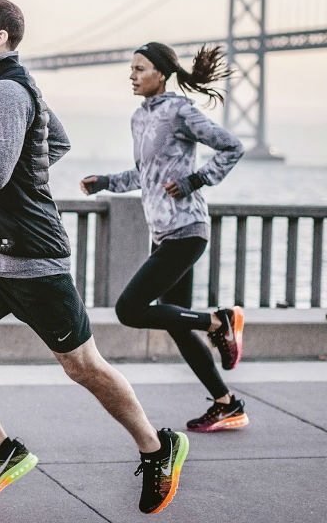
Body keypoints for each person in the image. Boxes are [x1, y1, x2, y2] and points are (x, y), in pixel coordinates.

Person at [0, 0, 188, 515]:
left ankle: (157, 447)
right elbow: (55, 142)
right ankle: (0, 450)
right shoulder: (0, 87)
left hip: (32, 258)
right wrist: (23, 170)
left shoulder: (6, 90)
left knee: (83, 366)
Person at [80, 41, 248, 434]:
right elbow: (146, 174)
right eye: (131, 69)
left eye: (140, 68)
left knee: (130, 309)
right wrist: (106, 182)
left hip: (187, 229)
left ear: (162, 73)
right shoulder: (140, 117)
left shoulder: (180, 111)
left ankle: (219, 322)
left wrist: (194, 180)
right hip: (163, 233)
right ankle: (227, 404)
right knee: (177, 323)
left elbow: (232, 147)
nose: (132, 75)